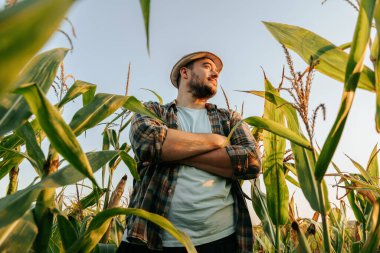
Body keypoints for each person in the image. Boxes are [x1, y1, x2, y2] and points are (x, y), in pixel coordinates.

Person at [118, 51, 261, 253]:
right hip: (149, 236)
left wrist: (171, 153)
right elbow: (147, 142)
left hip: (220, 239)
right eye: (207, 66)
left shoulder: (228, 118)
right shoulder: (154, 111)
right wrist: (216, 141)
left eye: (216, 70)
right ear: (185, 73)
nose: (215, 74)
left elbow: (251, 162)